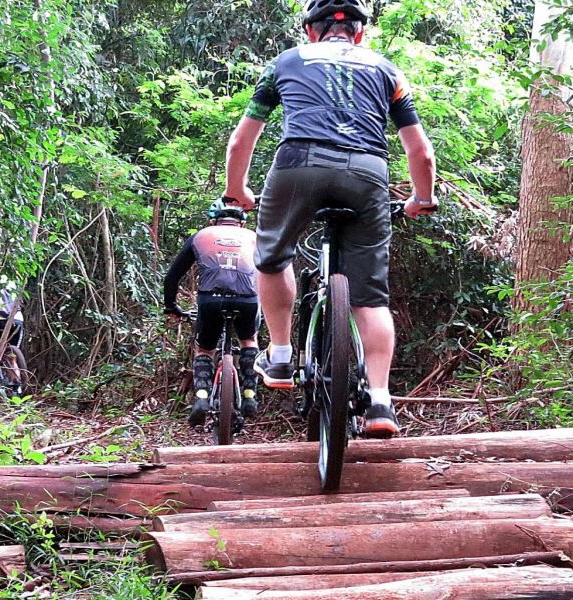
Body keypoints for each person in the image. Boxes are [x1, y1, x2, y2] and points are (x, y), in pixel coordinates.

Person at [221, 0, 437, 438]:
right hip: (367, 171)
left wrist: (237, 191)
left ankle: (280, 354)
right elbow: (421, 152)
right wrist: (422, 198)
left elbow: (240, 143)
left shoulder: (286, 62)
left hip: (299, 164)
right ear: (359, 33)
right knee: (371, 298)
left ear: (311, 32)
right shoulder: (386, 70)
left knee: (271, 257)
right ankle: (379, 402)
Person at [163, 200, 261, 425]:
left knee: (204, 349)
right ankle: (249, 395)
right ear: (242, 223)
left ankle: (201, 397)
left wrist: (171, 306)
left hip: (210, 300)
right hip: (248, 300)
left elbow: (172, 276)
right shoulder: (255, 238)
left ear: (213, 220)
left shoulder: (201, 235)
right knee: (248, 341)